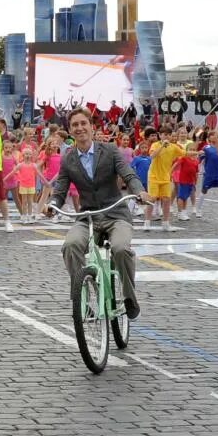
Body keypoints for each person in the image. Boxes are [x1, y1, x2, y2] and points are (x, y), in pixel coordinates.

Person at [50, 107, 149, 320]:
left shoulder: (110, 150)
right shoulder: (68, 158)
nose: (79, 128)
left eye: (83, 123)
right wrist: (52, 204)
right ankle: (82, 299)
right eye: (75, 125)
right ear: (70, 130)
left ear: (92, 127)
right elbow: (60, 189)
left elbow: (128, 174)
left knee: (121, 248)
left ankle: (130, 297)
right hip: (88, 217)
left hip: (116, 214)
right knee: (70, 246)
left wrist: (139, 191)